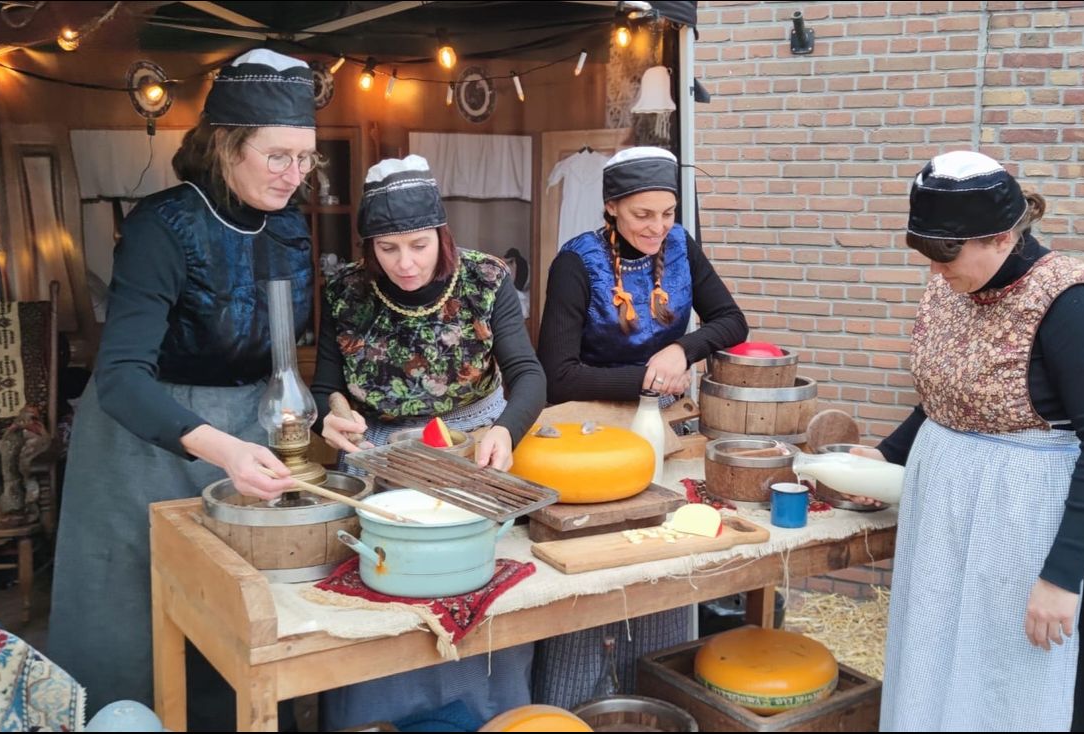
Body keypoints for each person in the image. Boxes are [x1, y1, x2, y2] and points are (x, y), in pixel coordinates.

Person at [48, 49, 318, 728]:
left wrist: (320, 407)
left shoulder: (287, 228)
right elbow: (119, 378)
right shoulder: (161, 228)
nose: (296, 176)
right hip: (144, 443)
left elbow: (291, 347)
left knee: (235, 614)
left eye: (307, 158)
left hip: (247, 437)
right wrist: (222, 449)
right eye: (279, 157)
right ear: (226, 144)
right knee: (135, 626)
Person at [855, 151, 1084, 731]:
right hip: (948, 521)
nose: (936, 272)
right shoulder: (951, 286)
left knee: (1009, 675)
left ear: (999, 236)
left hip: (1028, 523)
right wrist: (888, 454)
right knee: (938, 656)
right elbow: (949, 391)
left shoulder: (1078, 304)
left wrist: (1062, 576)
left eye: (947, 256)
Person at [313, 155, 546, 728]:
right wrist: (334, 414)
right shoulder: (344, 290)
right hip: (378, 450)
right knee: (390, 587)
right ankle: (376, 719)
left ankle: (494, 714)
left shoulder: (485, 279)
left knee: (474, 578)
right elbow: (326, 385)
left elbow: (530, 374)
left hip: (473, 444)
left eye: (418, 245)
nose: (405, 263)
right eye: (387, 249)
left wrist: (504, 430)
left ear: (441, 235)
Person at [532, 146, 748, 707]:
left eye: (667, 212)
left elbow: (731, 320)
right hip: (589, 438)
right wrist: (647, 378)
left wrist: (682, 348)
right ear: (611, 208)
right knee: (595, 580)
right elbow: (557, 375)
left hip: (667, 432)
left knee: (664, 565)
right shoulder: (575, 264)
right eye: (641, 215)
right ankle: (573, 705)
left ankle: (655, 701)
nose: (657, 227)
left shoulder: (681, 246)